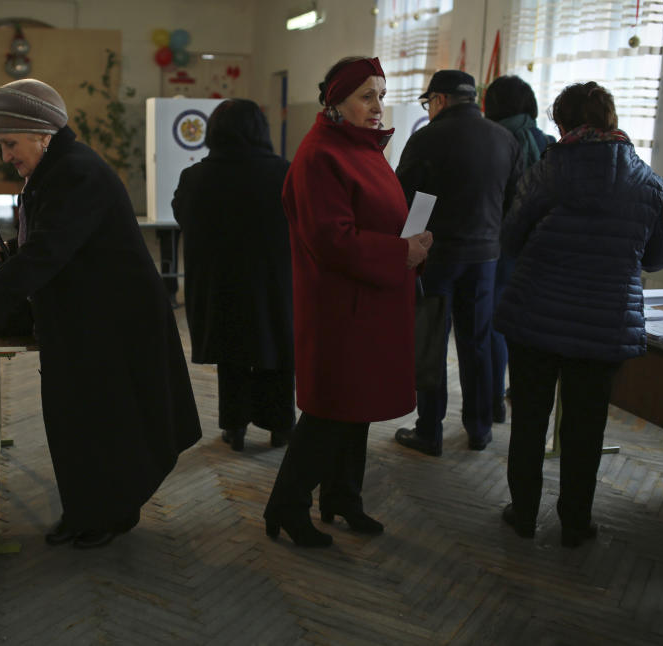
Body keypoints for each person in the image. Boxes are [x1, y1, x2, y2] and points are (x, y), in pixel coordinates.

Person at [0, 79, 202, 549]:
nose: (6, 156)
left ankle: (107, 515)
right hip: (84, 320)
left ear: (41, 132)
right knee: (74, 418)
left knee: (105, 420)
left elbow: (48, 252)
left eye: (10, 143)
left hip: (114, 324)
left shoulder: (77, 172)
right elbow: (45, 243)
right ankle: (85, 511)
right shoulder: (55, 170)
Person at [495, 82, 663, 547]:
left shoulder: (549, 171)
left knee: (530, 421)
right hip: (604, 323)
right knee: (586, 426)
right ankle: (575, 522)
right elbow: (659, 257)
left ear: (563, 124)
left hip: (536, 318)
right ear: (611, 120)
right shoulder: (649, 182)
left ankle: (524, 512)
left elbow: (510, 237)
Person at [262, 57, 433, 548]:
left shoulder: (363, 146)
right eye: (366, 96)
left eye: (381, 94)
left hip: (371, 301)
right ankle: (287, 507)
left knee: (355, 408)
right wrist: (402, 252)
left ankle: (342, 498)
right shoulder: (320, 156)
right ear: (334, 103)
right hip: (341, 308)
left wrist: (410, 244)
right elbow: (332, 240)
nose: (378, 106)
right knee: (330, 411)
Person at [395, 70, 522, 456]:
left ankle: (429, 431)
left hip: (437, 256)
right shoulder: (504, 138)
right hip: (486, 257)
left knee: (431, 340)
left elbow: (404, 199)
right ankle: (479, 428)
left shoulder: (427, 138)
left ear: (439, 99)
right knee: (477, 342)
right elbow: (514, 199)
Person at [172, 99, 294, 452]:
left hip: (221, 284)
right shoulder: (284, 172)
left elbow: (183, 216)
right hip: (273, 282)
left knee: (232, 353)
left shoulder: (195, 176)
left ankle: (235, 426)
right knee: (277, 351)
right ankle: (281, 425)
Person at [483, 75, 555, 423]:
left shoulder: (493, 141)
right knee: (529, 325)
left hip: (500, 244)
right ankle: (519, 390)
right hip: (541, 247)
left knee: (496, 323)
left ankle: (493, 399)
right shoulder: (547, 142)